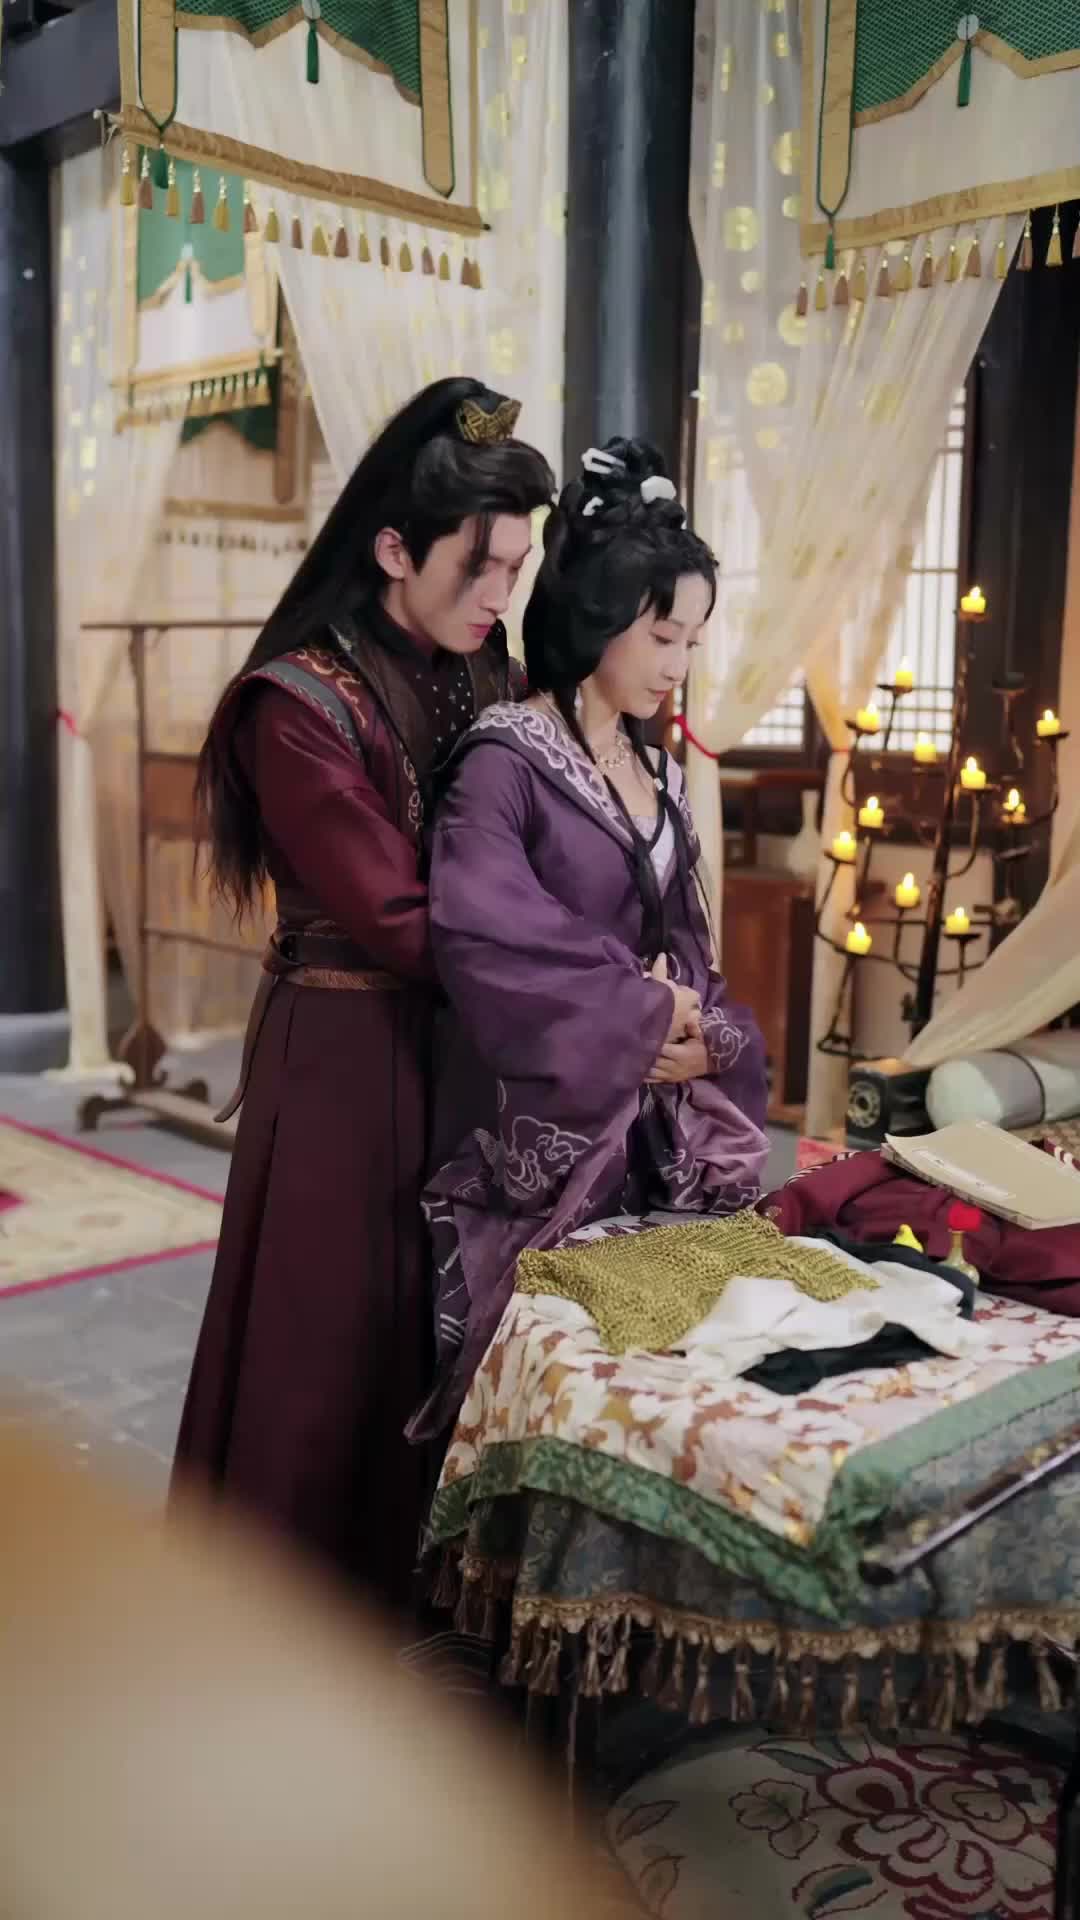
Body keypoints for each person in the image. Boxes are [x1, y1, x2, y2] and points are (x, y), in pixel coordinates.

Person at [173, 378, 555, 1608]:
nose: (500, 598)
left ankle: (423, 1608)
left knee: (449, 1330)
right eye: (480, 569)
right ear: (394, 550)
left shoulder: (489, 673)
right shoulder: (295, 706)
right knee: (326, 1347)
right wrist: (583, 981)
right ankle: (283, 1626)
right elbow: (401, 917)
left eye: (517, 571)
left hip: (466, 1053)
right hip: (343, 1062)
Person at [412, 438, 770, 1441]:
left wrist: (706, 1034)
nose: (679, 665)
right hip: (547, 1127)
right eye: (662, 636)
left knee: (690, 1392)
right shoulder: (503, 763)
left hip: (659, 1128)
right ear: (599, 616)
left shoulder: (657, 773)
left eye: (693, 640)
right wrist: (643, 1011)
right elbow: (489, 937)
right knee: (568, 1394)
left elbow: (689, 946)